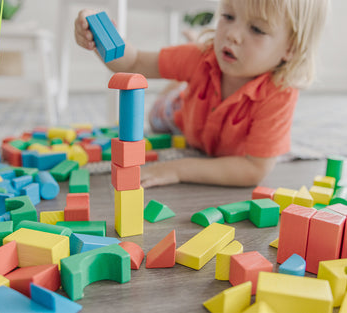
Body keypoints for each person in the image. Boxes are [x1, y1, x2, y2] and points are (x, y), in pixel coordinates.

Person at [74, 0, 329, 188]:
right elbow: (133, 62)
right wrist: (98, 33)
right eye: (228, 16)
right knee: (156, 117)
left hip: (213, 134)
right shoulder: (201, 56)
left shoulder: (280, 92)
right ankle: (177, 86)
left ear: (291, 49)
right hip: (182, 116)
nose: (232, 34)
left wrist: (177, 169)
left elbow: (254, 169)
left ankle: (180, 83)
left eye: (257, 30)